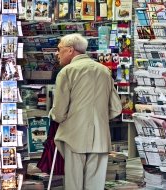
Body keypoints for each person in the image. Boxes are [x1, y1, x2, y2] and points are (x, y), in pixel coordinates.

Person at [49, 33, 122, 190]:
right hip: (100, 138)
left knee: (74, 184)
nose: (57, 53)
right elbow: (116, 108)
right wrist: (99, 118)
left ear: (70, 50)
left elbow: (59, 112)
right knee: (95, 185)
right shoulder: (104, 71)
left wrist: (54, 115)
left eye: (59, 49)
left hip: (74, 136)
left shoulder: (67, 72)